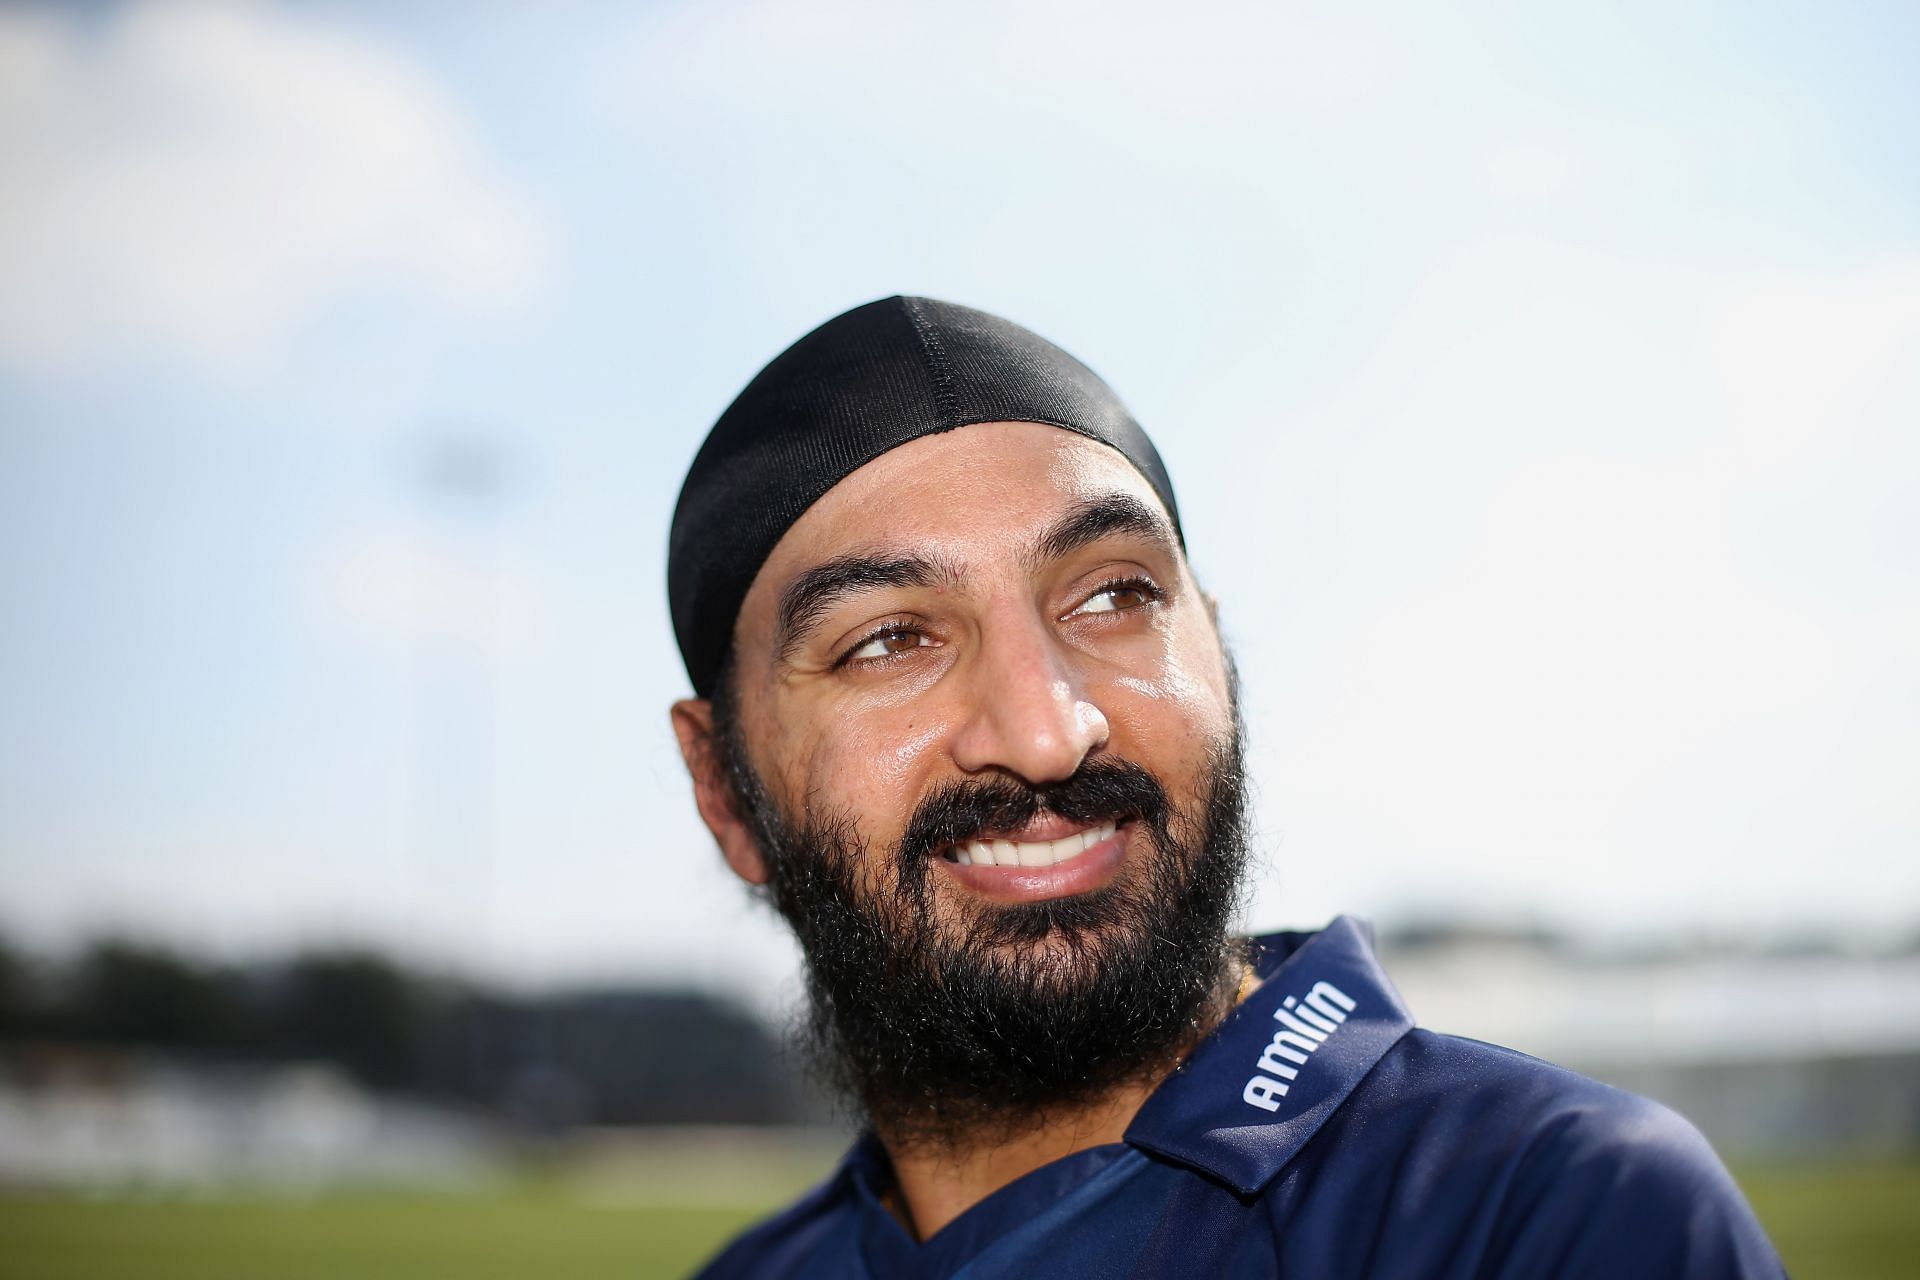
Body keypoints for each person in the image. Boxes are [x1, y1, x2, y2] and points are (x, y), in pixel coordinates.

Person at [666, 296, 1784, 1278]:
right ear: (723, 788)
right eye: (890, 639)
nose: (1050, 731)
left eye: (1112, 594)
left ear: (1222, 653)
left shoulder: (1542, 1216)